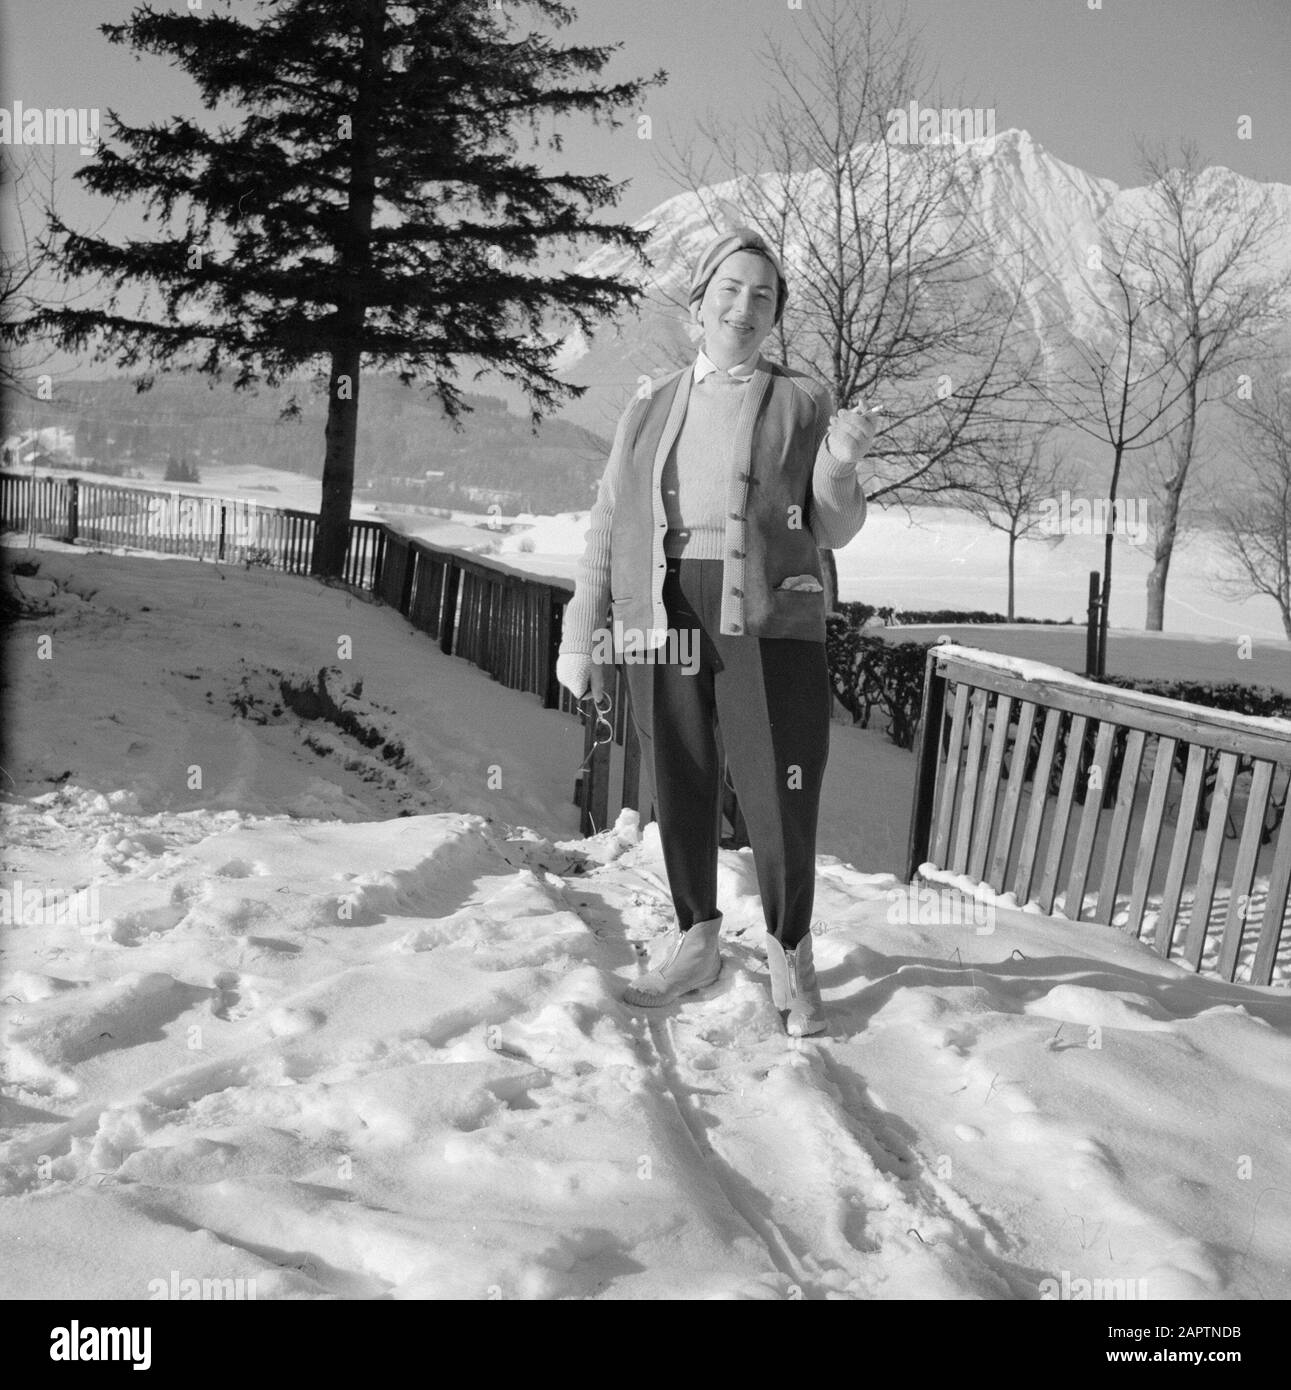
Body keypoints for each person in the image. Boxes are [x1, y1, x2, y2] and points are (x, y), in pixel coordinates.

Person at [556, 226, 877, 1036]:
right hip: (661, 605)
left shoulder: (804, 402)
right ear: (696, 303)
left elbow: (833, 528)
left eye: (762, 296)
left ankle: (790, 952)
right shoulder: (648, 402)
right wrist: (579, 631)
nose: (744, 306)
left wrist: (838, 466)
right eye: (729, 290)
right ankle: (695, 936)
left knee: (779, 788)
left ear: (774, 317)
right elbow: (608, 521)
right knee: (679, 774)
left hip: (767, 613)